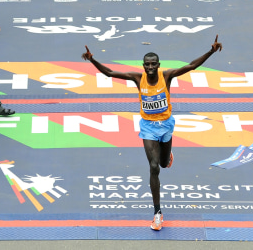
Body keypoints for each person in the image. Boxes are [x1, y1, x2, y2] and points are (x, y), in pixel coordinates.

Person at [81, 37, 223, 230]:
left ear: (158, 65)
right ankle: (157, 213)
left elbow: (191, 66)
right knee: (154, 167)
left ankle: (167, 156)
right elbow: (109, 73)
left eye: (153, 64)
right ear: (143, 65)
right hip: (148, 127)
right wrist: (92, 59)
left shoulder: (167, 76)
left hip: (166, 125)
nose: (150, 67)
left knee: (163, 164)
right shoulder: (138, 78)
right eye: (146, 64)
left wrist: (211, 51)